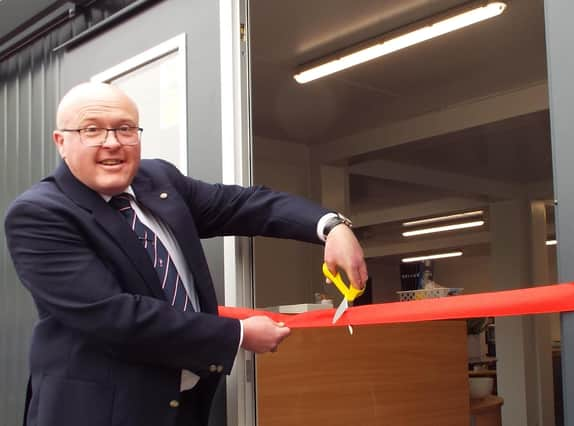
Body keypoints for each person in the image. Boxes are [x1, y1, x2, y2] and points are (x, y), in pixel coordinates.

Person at [4, 82, 368, 426]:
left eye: (125, 128)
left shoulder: (158, 180)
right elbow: (115, 317)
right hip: (99, 412)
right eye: (92, 130)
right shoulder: (40, 213)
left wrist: (330, 226)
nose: (112, 142)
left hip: (184, 405)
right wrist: (237, 334)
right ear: (61, 142)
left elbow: (243, 204)